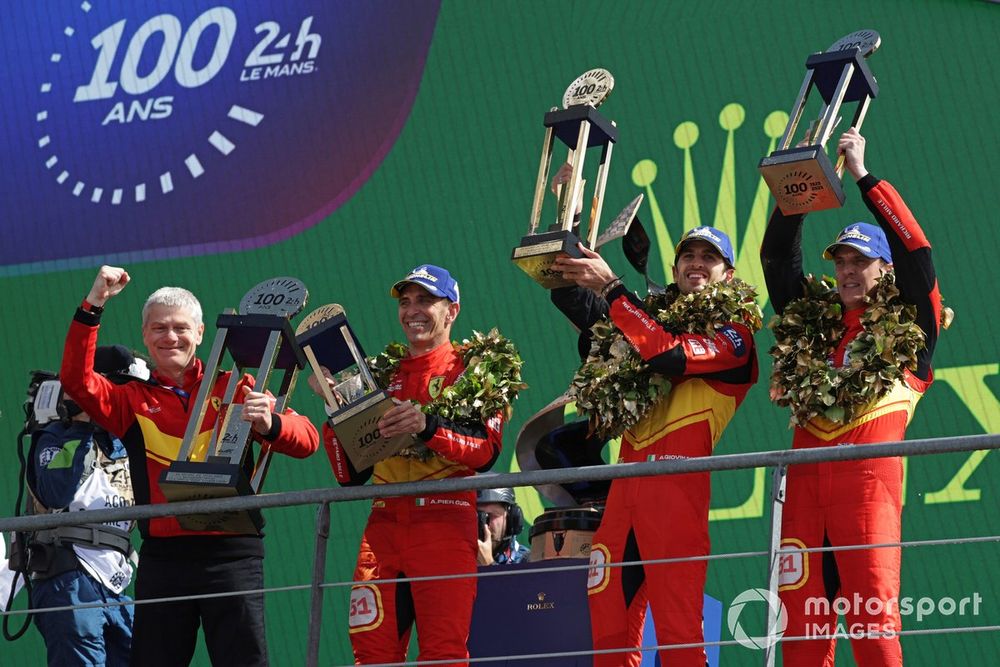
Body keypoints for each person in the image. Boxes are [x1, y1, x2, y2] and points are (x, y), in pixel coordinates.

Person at [59, 266, 319, 667]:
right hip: (165, 557)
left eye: (181, 328)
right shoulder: (130, 400)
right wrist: (94, 303)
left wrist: (271, 423)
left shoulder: (238, 386)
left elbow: (308, 441)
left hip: (233, 554)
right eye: (159, 328)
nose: (170, 337)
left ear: (200, 334)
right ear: (145, 336)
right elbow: (76, 381)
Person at [761, 128, 941, 666]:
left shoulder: (910, 331)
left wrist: (863, 176)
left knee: (876, 636)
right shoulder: (812, 326)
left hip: (869, 499)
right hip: (805, 500)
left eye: (858, 261)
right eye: (839, 261)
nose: (845, 271)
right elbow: (777, 261)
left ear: (883, 270)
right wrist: (802, 188)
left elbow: (918, 255)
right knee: (800, 643)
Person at [551, 220, 760, 666]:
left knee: (678, 633)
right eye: (689, 255)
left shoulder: (736, 336)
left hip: (675, 498)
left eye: (709, 257)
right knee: (606, 627)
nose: (697, 264)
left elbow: (668, 354)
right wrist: (569, 219)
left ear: (729, 272)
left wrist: (611, 287)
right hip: (624, 494)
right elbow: (574, 301)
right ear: (675, 265)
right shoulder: (641, 321)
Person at [309, 264, 517, 666]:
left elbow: (486, 452)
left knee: (444, 654)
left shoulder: (473, 367)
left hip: (445, 521)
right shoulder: (379, 376)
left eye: (425, 300)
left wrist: (427, 426)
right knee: (371, 655)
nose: (412, 310)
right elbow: (350, 477)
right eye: (405, 302)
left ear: (451, 311)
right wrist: (334, 408)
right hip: (383, 527)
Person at [26, 345, 145, 666]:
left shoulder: (131, 442)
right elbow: (55, 493)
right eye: (125, 393)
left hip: (117, 582)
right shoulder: (56, 437)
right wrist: (81, 420)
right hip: (68, 576)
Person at [476, 488, 530, 565]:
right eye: (477, 516)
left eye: (491, 515)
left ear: (510, 519)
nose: (484, 525)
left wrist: (488, 564)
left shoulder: (527, 562)